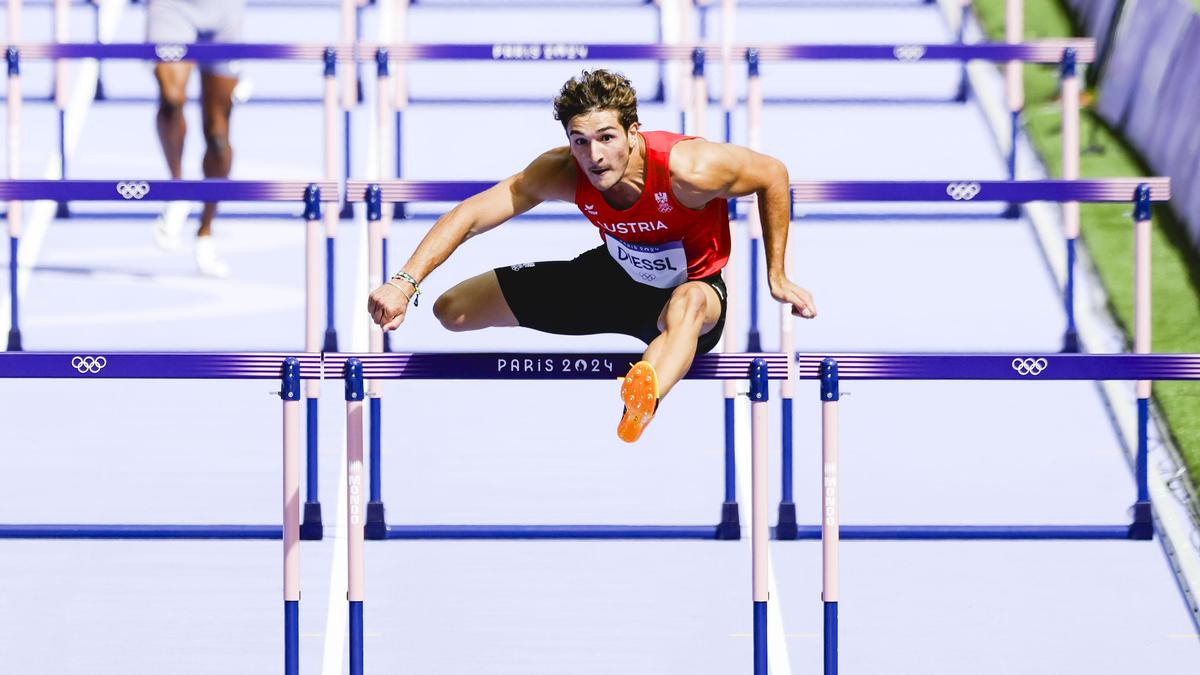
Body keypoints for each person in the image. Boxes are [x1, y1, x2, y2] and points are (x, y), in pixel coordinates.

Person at [367, 70, 817, 442]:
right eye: (580, 141)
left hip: (689, 290)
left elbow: (772, 174)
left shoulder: (690, 170)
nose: (595, 156)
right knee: (453, 311)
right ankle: (646, 374)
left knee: (690, 305)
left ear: (633, 133)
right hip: (612, 279)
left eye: (606, 138)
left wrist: (777, 274)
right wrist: (404, 282)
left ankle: (643, 398)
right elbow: (472, 214)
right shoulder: (563, 170)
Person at [146, 0, 246, 278]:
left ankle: (205, 231)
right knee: (171, 98)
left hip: (225, 12)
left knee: (217, 133)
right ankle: (178, 188)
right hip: (172, 8)